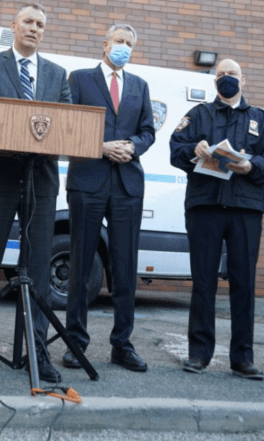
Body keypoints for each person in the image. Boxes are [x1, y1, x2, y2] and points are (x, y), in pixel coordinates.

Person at [0, 3, 72, 382]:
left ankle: (37, 352)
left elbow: (68, 123)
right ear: (14, 26)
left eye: (40, 24)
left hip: (41, 181)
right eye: (28, 21)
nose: (34, 28)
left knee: (37, 271)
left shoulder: (57, 74)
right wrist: (10, 131)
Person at [169, 59, 264, 380]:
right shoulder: (198, 115)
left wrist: (251, 166)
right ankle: (198, 354)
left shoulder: (261, 118)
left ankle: (243, 358)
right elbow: (175, 149)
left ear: (243, 80)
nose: (226, 79)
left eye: (232, 74)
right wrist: (193, 149)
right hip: (204, 206)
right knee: (203, 282)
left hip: (245, 209)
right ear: (214, 81)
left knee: (243, 282)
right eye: (220, 74)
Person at [62, 24, 155, 372]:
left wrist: (132, 146)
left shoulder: (139, 86)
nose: (124, 47)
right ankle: (75, 343)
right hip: (88, 179)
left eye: (129, 43)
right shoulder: (80, 79)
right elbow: (69, 124)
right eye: (119, 41)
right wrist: (100, 147)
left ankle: (122, 345)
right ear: (105, 44)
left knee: (125, 267)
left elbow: (148, 131)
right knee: (81, 265)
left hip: (127, 185)